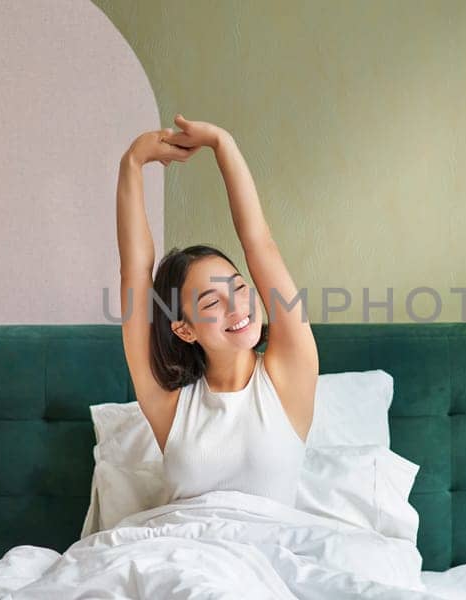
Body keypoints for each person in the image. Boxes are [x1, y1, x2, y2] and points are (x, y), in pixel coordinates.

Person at [115, 115, 318, 507]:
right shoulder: (169, 402)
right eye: (210, 302)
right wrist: (132, 164)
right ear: (184, 329)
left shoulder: (289, 375)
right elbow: (135, 271)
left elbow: (260, 243)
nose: (236, 306)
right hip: (185, 553)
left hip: (266, 555)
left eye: (239, 287)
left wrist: (223, 144)